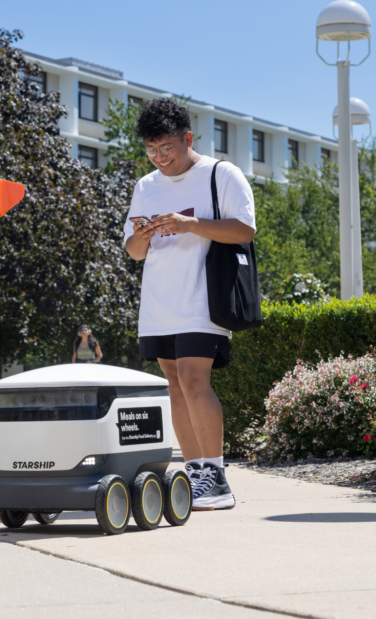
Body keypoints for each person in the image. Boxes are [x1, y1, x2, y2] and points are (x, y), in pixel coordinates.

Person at [123, 97, 256, 511]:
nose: (160, 158)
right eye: (151, 150)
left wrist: (189, 224)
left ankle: (216, 478)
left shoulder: (221, 173)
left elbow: (245, 230)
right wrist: (142, 236)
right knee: (175, 387)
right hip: (160, 301)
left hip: (203, 298)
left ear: (188, 138)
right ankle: (195, 471)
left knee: (195, 380)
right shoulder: (146, 186)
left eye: (167, 148)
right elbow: (133, 252)